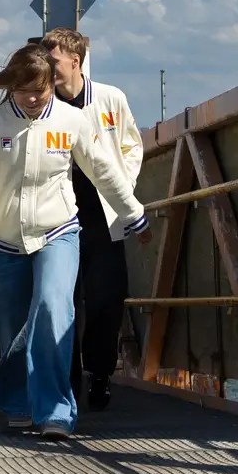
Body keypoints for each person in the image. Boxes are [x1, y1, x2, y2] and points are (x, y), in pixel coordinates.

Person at [0, 44, 147, 439]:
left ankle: (56, 410)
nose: (29, 98)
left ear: (50, 86)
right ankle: (17, 401)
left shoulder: (72, 120)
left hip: (59, 231)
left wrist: (132, 213)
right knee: (11, 328)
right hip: (6, 240)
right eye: (21, 90)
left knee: (53, 311)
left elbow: (104, 171)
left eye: (38, 91)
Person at [41, 27, 147, 410]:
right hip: (59, 217)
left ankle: (99, 373)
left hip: (104, 219)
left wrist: (124, 185)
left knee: (106, 300)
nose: (49, 69)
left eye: (53, 62)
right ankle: (66, 381)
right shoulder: (45, 103)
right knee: (61, 302)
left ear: (75, 60)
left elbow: (132, 145)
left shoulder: (110, 98)